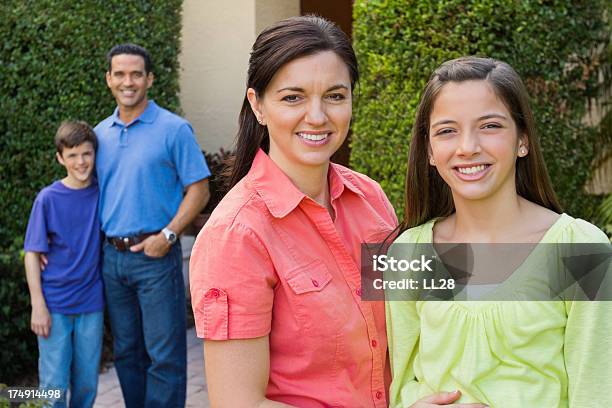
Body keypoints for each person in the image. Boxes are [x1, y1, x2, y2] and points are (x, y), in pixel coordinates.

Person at [188, 15, 400, 407]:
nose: (317, 117)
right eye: (293, 97)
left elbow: (435, 297)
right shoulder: (237, 235)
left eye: (335, 95)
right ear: (258, 105)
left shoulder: (369, 198)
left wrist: (547, 260)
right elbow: (238, 403)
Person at [386, 56, 612, 407]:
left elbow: (597, 393)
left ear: (522, 140)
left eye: (490, 126)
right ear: (429, 151)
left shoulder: (581, 248)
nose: (468, 147)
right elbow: (398, 384)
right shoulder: (407, 252)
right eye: (447, 131)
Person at [94, 43, 210, 407]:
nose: (128, 82)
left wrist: (168, 234)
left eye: (136, 74)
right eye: (120, 74)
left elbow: (200, 189)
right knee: (127, 352)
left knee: (164, 354)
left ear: (149, 79)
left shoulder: (173, 129)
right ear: (109, 79)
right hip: (112, 259)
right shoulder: (99, 135)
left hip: (156, 257)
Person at [24, 121, 104, 408]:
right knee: (54, 385)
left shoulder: (101, 194)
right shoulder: (47, 199)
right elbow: (32, 253)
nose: (80, 162)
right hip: (54, 305)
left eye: (86, 154)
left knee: (86, 383)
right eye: (72, 155)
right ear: (60, 158)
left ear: (95, 154)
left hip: (91, 303)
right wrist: (38, 305)